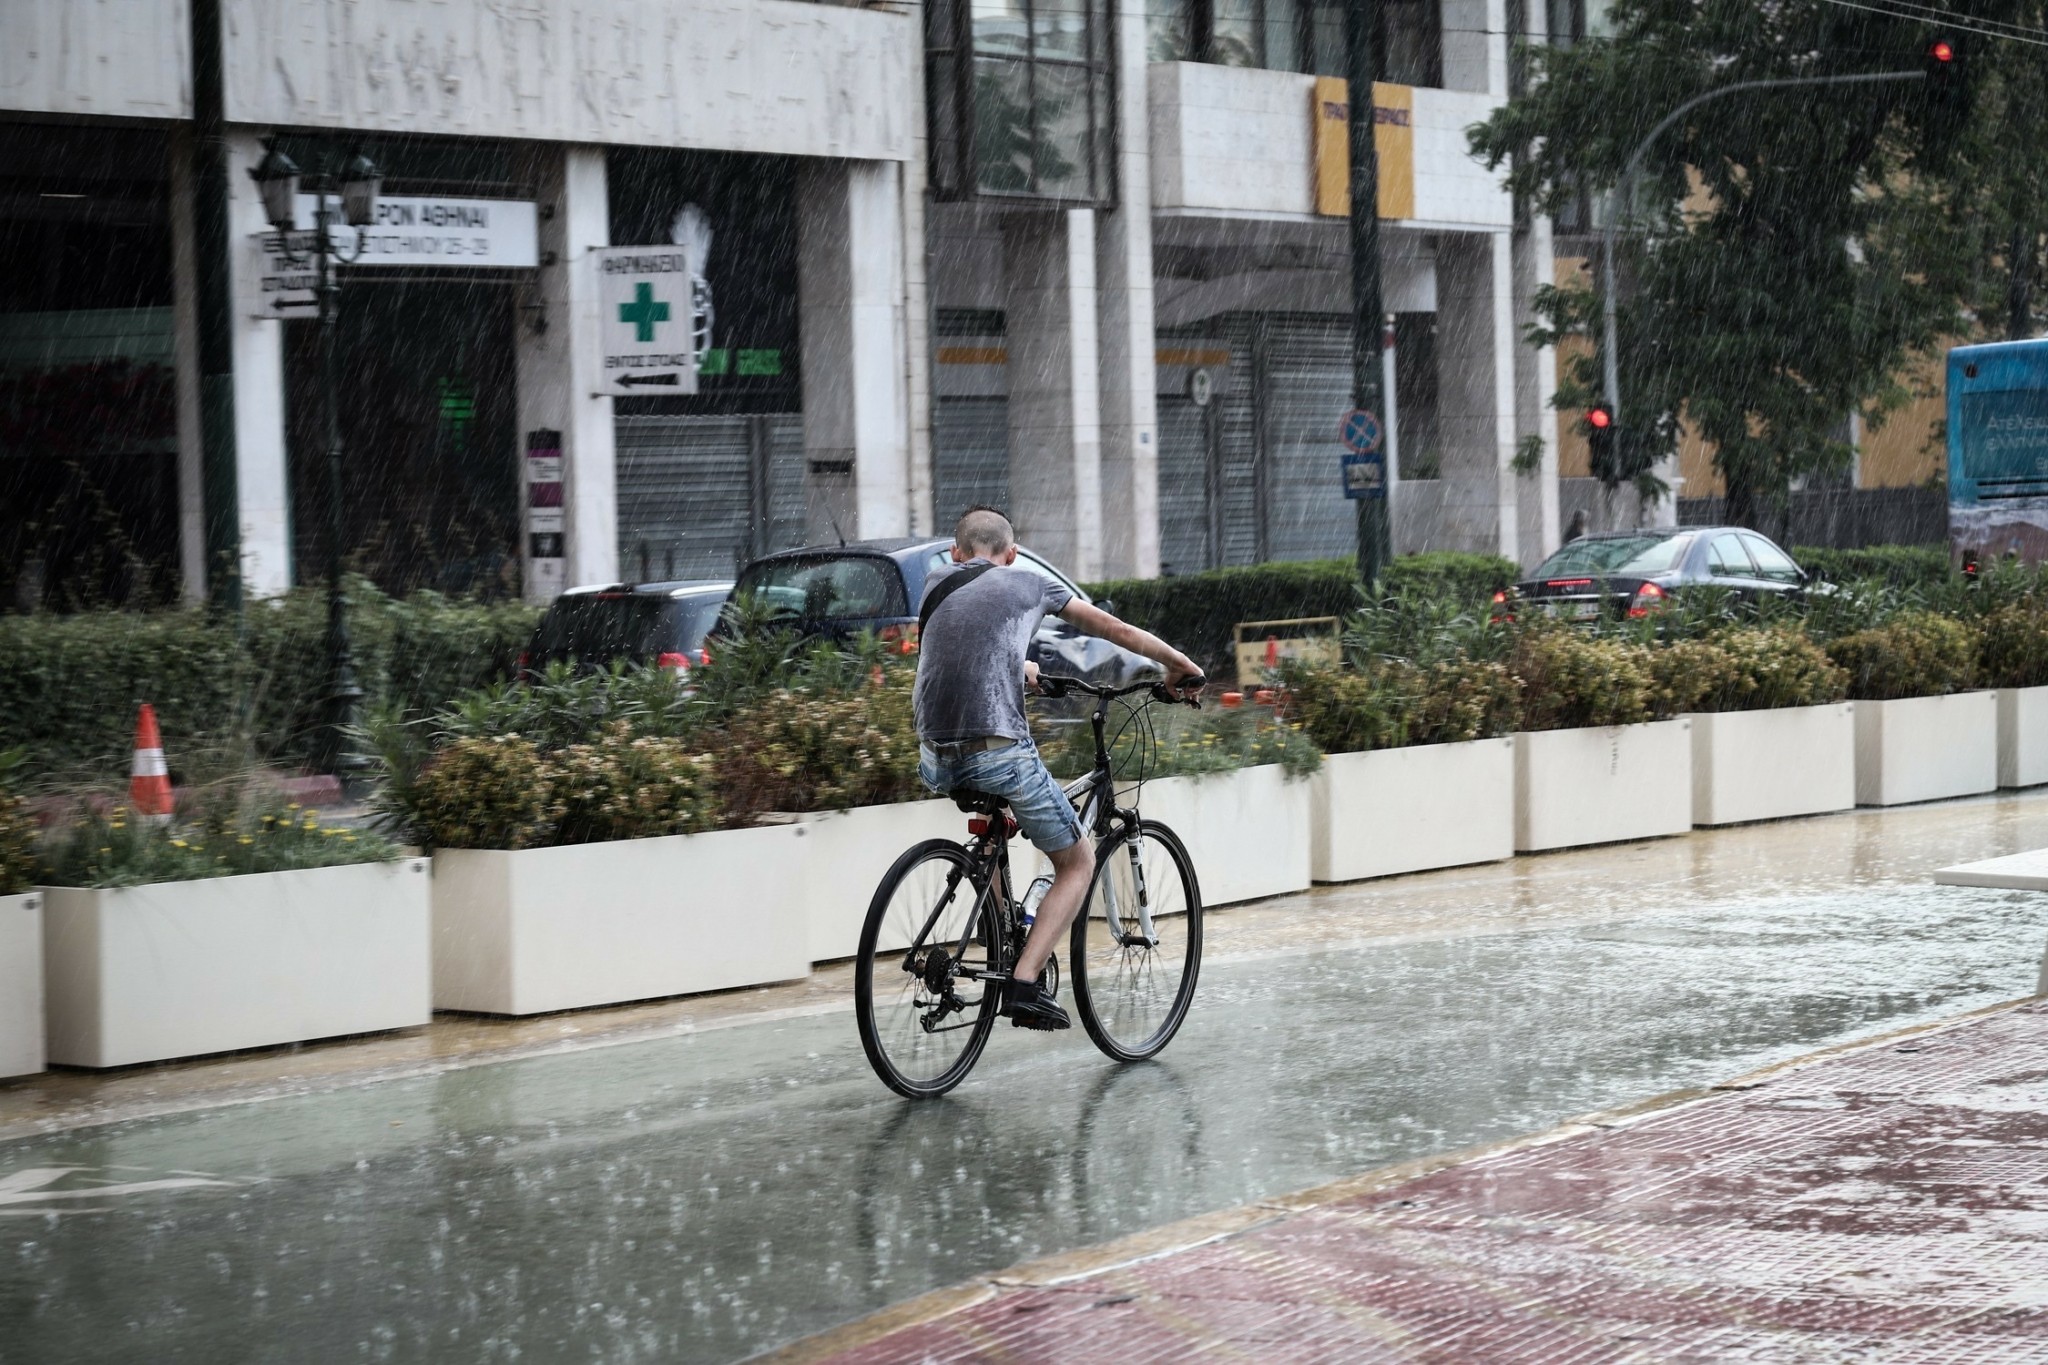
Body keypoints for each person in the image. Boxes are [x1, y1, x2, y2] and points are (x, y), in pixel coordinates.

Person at [913, 506, 1203, 1031]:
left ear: (956, 554)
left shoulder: (936, 582)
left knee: (997, 823)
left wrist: (1017, 666)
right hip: (997, 751)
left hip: (934, 755)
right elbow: (1112, 628)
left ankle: (999, 939)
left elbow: (958, 650)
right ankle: (1023, 984)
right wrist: (1179, 665)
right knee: (1078, 862)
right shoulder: (1030, 582)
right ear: (1012, 555)